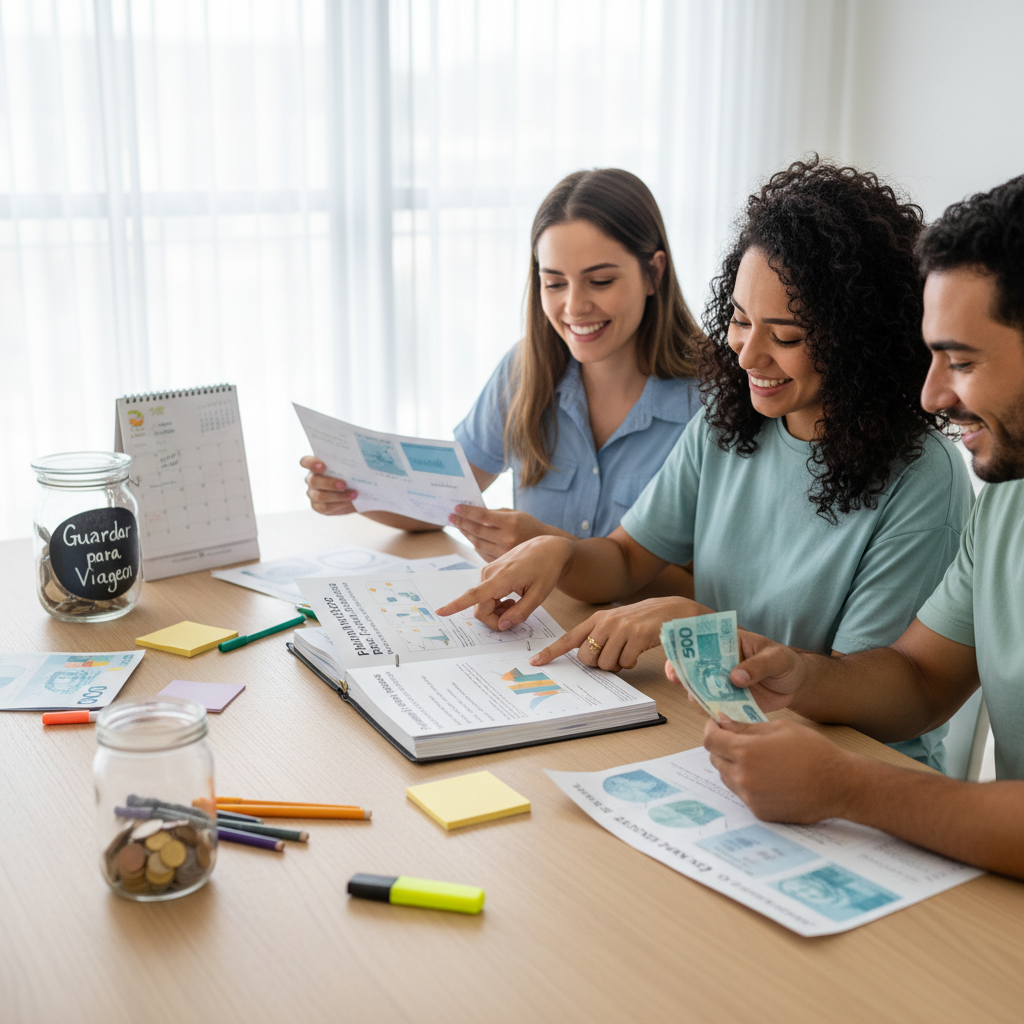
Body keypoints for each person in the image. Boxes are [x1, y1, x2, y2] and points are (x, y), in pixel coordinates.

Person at [437, 157, 974, 770]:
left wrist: (712, 637)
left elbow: (885, 693)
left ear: (860, 338)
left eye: (787, 337)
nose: (747, 353)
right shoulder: (728, 421)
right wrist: (559, 552)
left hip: (847, 767)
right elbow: (625, 559)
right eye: (741, 321)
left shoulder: (919, 477)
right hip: (716, 732)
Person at [691, 174, 1024, 879]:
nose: (931, 394)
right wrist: (796, 675)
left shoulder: (938, 475)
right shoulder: (1008, 495)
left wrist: (847, 785)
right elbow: (919, 679)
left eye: (960, 361)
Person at [300, 168, 703, 579]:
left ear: (653, 273)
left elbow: (706, 589)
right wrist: (354, 491)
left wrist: (555, 551)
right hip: (533, 630)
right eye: (554, 283)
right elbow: (440, 500)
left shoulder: (709, 404)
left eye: (599, 281)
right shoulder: (525, 370)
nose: (575, 306)